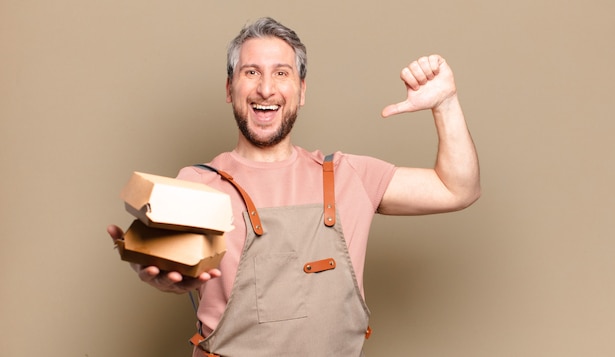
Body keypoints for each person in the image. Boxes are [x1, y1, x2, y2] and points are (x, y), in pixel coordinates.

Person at [107, 16, 480, 356]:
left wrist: (445, 104)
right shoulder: (198, 185)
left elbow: (457, 189)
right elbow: (167, 266)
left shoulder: (351, 176)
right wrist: (159, 274)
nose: (266, 88)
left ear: (301, 91)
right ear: (229, 88)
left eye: (281, 73)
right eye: (251, 72)